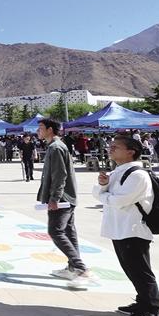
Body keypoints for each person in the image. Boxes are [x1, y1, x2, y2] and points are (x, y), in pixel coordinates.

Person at [92, 135, 159, 316]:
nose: (110, 148)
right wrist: (104, 187)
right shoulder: (117, 171)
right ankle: (142, 302)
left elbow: (120, 200)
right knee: (131, 270)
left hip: (133, 230)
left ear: (131, 151)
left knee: (141, 272)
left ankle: (152, 313)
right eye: (111, 146)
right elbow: (97, 192)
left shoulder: (138, 175)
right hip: (120, 228)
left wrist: (105, 194)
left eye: (116, 146)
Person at [36, 118, 93, 288]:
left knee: (56, 231)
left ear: (50, 129)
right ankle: (72, 267)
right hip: (67, 196)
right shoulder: (55, 146)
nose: (38, 131)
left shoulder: (56, 147)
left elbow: (60, 175)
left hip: (62, 198)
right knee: (69, 231)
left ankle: (81, 268)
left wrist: (55, 198)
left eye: (41, 128)